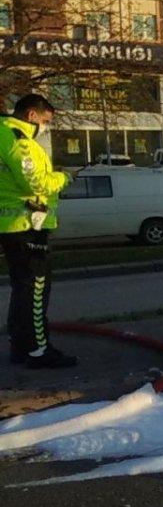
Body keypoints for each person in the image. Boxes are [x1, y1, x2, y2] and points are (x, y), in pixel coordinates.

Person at [0, 94, 75, 368]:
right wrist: (64, 177)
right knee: (35, 290)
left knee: (22, 289)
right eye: (46, 122)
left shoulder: (5, 134)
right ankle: (38, 350)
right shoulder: (17, 139)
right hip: (27, 226)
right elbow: (34, 183)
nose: (46, 127)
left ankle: (20, 347)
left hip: (13, 225)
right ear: (32, 115)